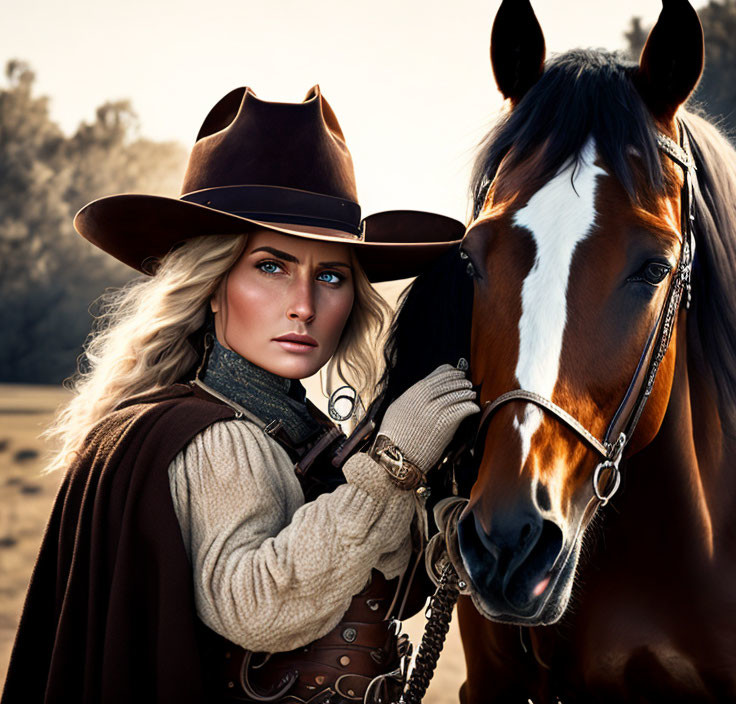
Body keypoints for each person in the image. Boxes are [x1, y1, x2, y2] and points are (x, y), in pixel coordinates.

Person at [1, 86, 478, 704]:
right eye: (271, 267)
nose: (304, 306)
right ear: (213, 283)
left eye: (330, 275)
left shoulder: (291, 428)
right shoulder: (217, 436)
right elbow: (258, 607)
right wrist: (391, 464)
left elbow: (388, 584)